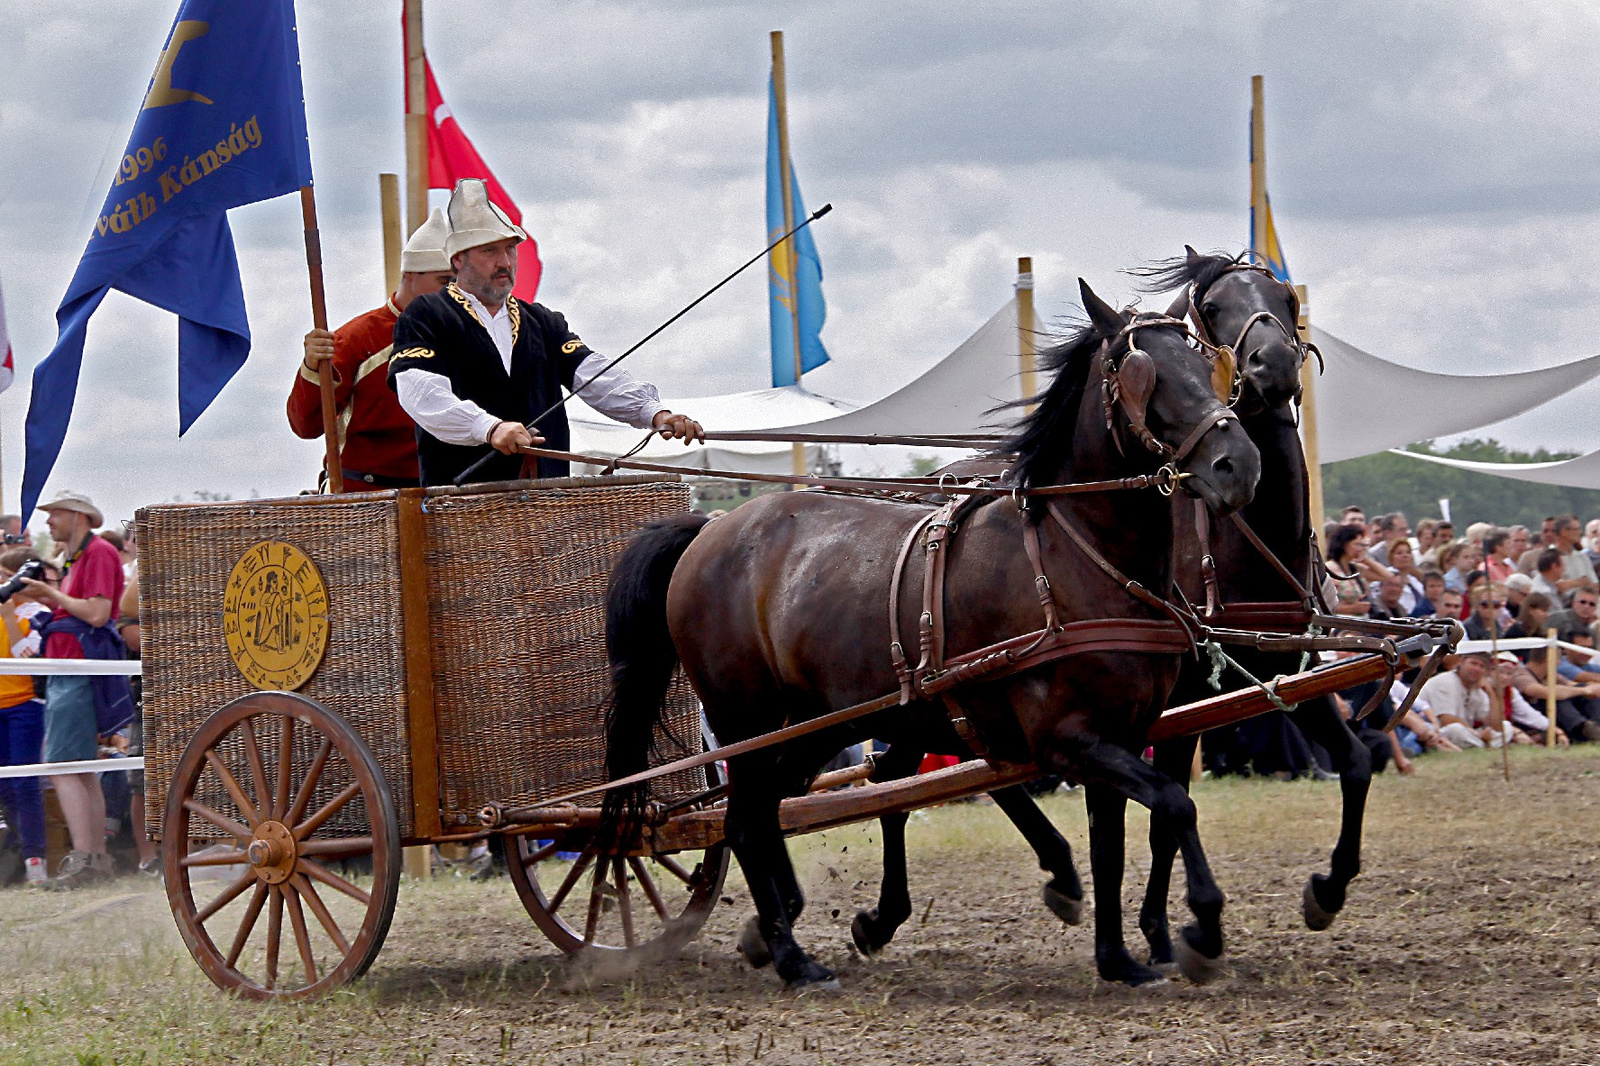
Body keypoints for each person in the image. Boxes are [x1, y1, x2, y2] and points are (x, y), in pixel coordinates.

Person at [390, 179, 703, 486]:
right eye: (489, 251)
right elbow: (420, 392)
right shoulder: (426, 316)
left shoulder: (542, 322)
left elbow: (594, 375)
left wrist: (655, 413)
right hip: (462, 503)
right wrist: (488, 428)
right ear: (458, 259)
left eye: (510, 250)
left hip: (544, 496)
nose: (504, 262)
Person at [288, 207, 455, 489]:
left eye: (459, 281)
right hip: (362, 495)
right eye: (445, 280)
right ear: (411, 274)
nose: (454, 291)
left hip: (441, 492)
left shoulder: (467, 335)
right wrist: (312, 367)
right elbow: (306, 425)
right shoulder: (357, 338)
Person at [17, 491, 132, 889]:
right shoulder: (81, 555)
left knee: (63, 765)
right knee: (81, 766)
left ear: (78, 517)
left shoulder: (96, 553)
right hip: (73, 666)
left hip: (77, 668)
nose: (49, 522)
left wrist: (50, 595)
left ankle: (85, 857)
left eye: (55, 515)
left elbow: (98, 613)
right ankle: (93, 857)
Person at [0, 549, 47, 885]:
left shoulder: (37, 613)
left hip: (25, 706)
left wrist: (7, 616)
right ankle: (17, 851)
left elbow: (25, 654)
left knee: (25, 783)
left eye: (5, 576)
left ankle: (36, 860)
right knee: (5, 787)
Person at [1552, 515, 1599, 599]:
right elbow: (1559, 587)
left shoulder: (1582, 557)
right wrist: (1581, 582)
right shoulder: (1550, 556)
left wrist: (1570, 584)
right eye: (1576, 529)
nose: (1579, 532)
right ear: (1564, 532)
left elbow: (1595, 586)